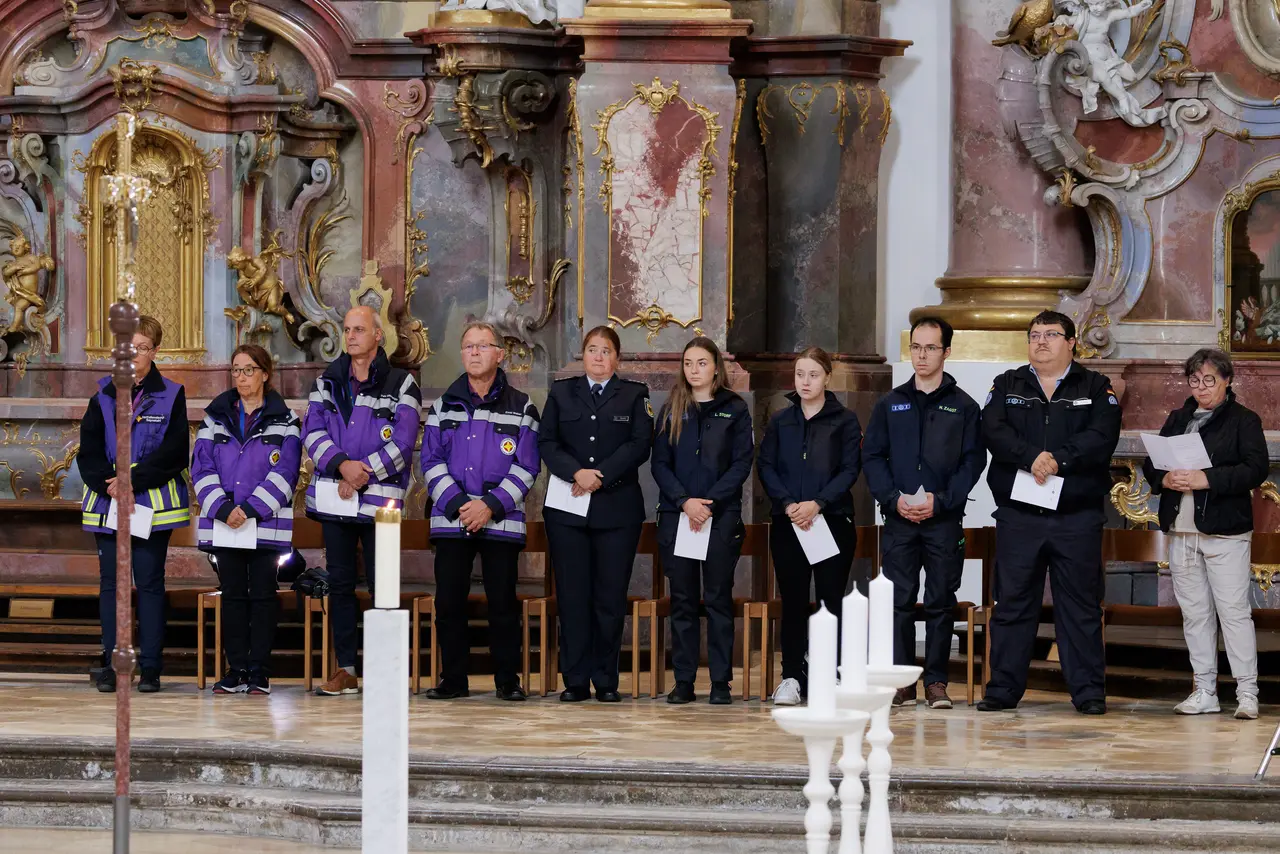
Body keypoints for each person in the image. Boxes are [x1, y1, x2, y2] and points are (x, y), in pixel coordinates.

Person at [978, 309, 1121, 715]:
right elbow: (993, 429)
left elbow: (1101, 436)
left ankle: (1089, 693)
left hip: (1075, 517)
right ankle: (1002, 690)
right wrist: (1031, 457)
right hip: (1020, 515)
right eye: (1034, 334)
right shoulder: (1007, 383)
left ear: (1071, 342)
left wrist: (1058, 459)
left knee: (1079, 606)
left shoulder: (1095, 386)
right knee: (1012, 604)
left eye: (1051, 334)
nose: (1041, 341)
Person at [863, 318, 987, 709]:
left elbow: (973, 461)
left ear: (946, 352)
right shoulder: (890, 402)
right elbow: (873, 456)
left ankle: (936, 681)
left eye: (931, 348)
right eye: (916, 347)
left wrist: (943, 500)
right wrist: (891, 498)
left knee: (940, 600)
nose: (922, 355)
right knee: (898, 600)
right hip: (899, 520)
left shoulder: (964, 406)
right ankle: (903, 680)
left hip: (943, 520)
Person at [1141, 349, 1267, 721]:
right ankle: (1205, 690)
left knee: (1233, 613)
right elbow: (1152, 463)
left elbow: (1255, 468)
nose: (1201, 387)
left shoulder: (1244, 420)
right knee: (1195, 615)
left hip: (1225, 531)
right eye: (1194, 380)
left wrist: (1206, 478)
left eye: (1209, 380)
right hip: (1182, 529)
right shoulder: (1179, 418)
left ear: (1227, 381)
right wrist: (1163, 478)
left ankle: (1247, 692)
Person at [304, 306, 421, 696]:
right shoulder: (327, 381)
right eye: (346, 329)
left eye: (359, 329)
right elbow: (313, 430)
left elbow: (403, 443)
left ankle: (384, 669)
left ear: (377, 337)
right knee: (339, 584)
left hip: (379, 504)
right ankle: (347, 669)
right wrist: (341, 466)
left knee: (381, 586)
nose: (350, 336)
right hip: (337, 500)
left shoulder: (401, 383)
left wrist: (360, 472)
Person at [421, 321, 540, 701]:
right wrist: (460, 506)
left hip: (500, 521)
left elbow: (527, 466)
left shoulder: (523, 406)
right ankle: (453, 679)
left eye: (482, 346)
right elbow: (430, 462)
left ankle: (508, 680)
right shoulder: (443, 406)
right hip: (452, 520)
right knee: (449, 602)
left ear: (499, 355)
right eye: (468, 346)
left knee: (503, 603)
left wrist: (489, 506)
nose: (474, 352)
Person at [539, 326, 653, 702]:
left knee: (609, 597)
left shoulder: (635, 395)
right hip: (568, 511)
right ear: (582, 355)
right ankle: (574, 679)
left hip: (616, 510)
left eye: (606, 351)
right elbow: (547, 442)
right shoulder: (561, 392)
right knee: (572, 596)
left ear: (617, 358)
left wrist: (598, 477)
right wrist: (576, 472)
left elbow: (640, 444)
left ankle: (605, 680)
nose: (599, 357)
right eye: (592, 349)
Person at [78, 315, 190, 693]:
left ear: (154, 352)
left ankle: (151, 667)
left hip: (152, 503)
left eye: (141, 348)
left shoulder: (172, 394)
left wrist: (133, 480)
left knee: (149, 583)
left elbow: (177, 452)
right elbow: (88, 450)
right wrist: (107, 483)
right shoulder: (102, 394)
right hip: (108, 500)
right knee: (111, 584)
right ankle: (111, 664)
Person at [192, 344, 303, 696]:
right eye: (236, 370)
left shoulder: (286, 421)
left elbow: (286, 472)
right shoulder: (215, 417)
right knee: (233, 596)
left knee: (263, 596)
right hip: (226, 523)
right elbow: (201, 467)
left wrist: (251, 509)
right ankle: (235, 669)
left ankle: (259, 671)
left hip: (264, 524)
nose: (241, 377)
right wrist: (224, 509)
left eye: (249, 370)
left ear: (265, 374)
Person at [757, 346, 863, 707]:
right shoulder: (781, 420)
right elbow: (766, 467)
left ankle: (828, 670)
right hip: (789, 524)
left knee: (830, 599)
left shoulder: (845, 420)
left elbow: (850, 469)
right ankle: (791, 676)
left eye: (813, 374)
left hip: (830, 520)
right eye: (800, 374)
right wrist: (789, 505)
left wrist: (817, 503)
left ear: (827, 378)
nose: (805, 381)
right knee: (794, 601)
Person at [651, 336, 754, 705]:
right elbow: (659, 464)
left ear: (715, 367)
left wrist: (708, 503)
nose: (694, 370)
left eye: (701, 363)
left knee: (717, 599)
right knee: (682, 600)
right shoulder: (671, 409)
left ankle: (721, 682)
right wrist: (684, 502)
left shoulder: (735, 409)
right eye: (688, 363)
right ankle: (683, 680)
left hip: (719, 518)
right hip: (679, 516)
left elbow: (742, 463)